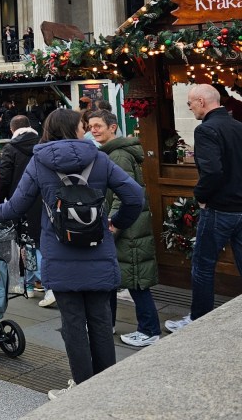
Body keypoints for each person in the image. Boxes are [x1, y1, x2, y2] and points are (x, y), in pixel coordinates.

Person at [0, 108, 143, 399]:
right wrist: (116, 223)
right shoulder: (98, 158)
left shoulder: (39, 162)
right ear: (75, 129)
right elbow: (134, 195)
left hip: (60, 252)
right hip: (98, 249)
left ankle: (82, 389)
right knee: (100, 319)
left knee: (73, 323)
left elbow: (17, 206)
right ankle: (105, 384)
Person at [165, 84, 242, 334]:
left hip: (221, 208)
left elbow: (212, 172)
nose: (190, 108)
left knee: (203, 264)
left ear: (201, 101)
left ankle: (199, 319)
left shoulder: (206, 130)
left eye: (190, 104)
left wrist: (200, 196)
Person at [88, 110, 160, 348]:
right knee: (113, 277)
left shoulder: (117, 155)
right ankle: (106, 324)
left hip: (127, 227)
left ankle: (149, 330)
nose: (94, 130)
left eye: (98, 126)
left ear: (113, 127)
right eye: (91, 126)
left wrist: (111, 224)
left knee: (135, 279)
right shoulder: (111, 153)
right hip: (125, 223)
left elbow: (125, 194)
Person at [0, 114, 46, 299]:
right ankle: (43, 283)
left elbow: (4, 178)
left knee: (25, 242)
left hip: (19, 200)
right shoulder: (42, 144)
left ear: (12, 130)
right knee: (41, 241)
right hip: (42, 199)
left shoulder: (10, 149)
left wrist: (0, 200)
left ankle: (31, 283)